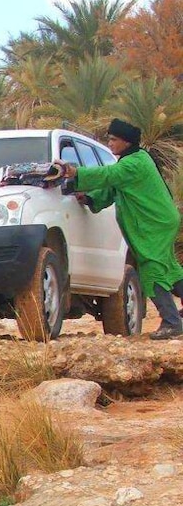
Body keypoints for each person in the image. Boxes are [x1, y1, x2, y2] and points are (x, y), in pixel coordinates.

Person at [61, 118, 183, 340]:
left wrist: (74, 173)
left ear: (126, 142)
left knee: (151, 269)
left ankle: (172, 323)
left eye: (114, 139)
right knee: (169, 268)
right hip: (159, 222)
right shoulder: (132, 161)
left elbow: (107, 176)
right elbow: (112, 188)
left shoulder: (134, 164)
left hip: (153, 224)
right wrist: (89, 198)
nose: (110, 143)